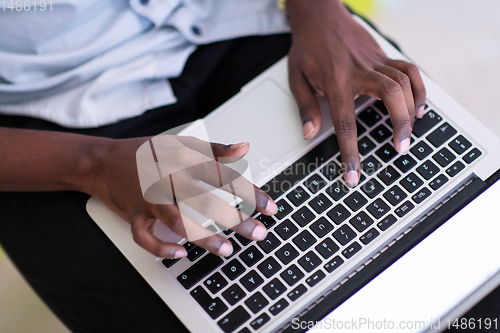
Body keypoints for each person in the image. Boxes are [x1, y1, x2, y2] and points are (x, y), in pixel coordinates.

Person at [0, 0, 426, 331]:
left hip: (238, 20)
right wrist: (92, 164)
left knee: (433, 206)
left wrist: (319, 10)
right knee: (210, 304)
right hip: (50, 127)